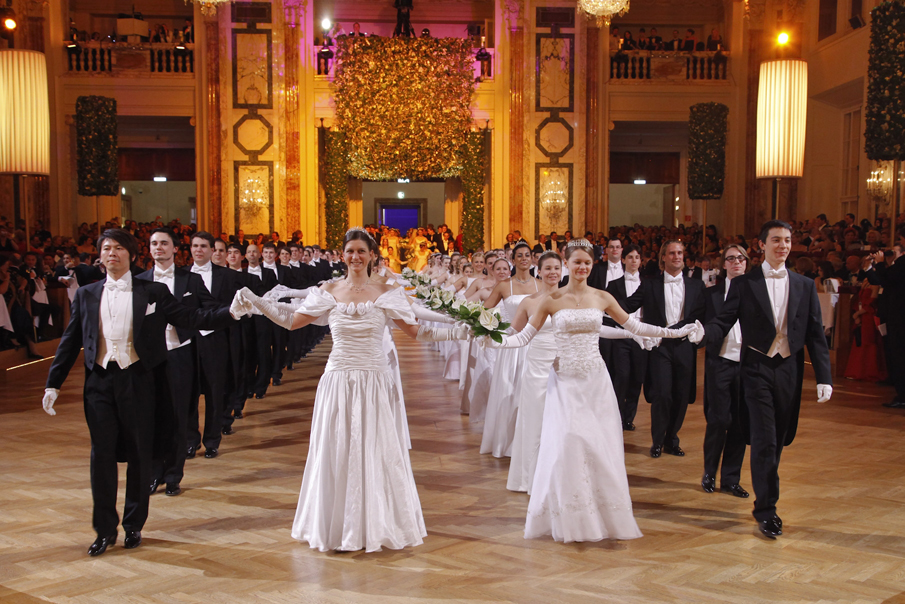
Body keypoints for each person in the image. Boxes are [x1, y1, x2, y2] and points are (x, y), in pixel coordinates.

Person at [231, 228, 471, 552]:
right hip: (338, 380)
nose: (355, 257)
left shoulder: (387, 291)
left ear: (372, 255)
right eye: (350, 251)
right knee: (337, 449)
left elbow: (417, 332)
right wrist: (258, 302)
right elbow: (292, 322)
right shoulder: (328, 290)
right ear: (343, 256)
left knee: (376, 448)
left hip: (375, 379)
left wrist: (459, 332)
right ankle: (338, 527)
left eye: (361, 251)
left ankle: (376, 525)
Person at [41, 229, 239, 557]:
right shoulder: (87, 294)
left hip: (138, 382)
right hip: (100, 385)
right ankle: (104, 529)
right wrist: (53, 383)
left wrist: (230, 312)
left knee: (139, 454)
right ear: (100, 256)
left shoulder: (153, 291)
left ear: (132, 255)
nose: (112, 253)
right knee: (100, 456)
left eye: (119, 248)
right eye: (107, 248)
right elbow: (70, 340)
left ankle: (133, 524)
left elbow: (192, 316)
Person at [483, 239, 696, 542]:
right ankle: (569, 514)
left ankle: (601, 513)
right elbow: (522, 338)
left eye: (587, 262)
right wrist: (490, 339)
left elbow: (635, 326)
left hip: (595, 381)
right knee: (568, 442)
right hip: (564, 382)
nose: (581, 267)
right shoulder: (550, 300)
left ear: (592, 265)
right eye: (576, 262)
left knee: (598, 445)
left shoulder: (602, 297)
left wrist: (675, 332)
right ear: (566, 264)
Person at [689, 220, 833, 539]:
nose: (783, 245)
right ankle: (767, 510)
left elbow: (815, 335)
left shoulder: (805, 285)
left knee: (779, 438)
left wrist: (824, 376)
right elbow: (723, 322)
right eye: (776, 240)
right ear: (762, 244)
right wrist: (703, 334)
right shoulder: (745, 283)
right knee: (765, 439)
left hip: (789, 371)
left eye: (787, 240)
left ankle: (766, 494)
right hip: (754, 369)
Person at [136, 228, 213, 496]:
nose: (159, 247)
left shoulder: (189, 280)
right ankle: (154, 473)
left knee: (180, 415)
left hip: (181, 353)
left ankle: (174, 474)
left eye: (164, 243)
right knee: (153, 416)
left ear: (175, 249)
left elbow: (208, 309)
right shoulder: (139, 281)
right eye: (154, 243)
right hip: (150, 356)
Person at [622, 241, 706, 458]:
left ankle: (672, 439)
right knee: (662, 394)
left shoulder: (697, 286)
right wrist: (601, 301)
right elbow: (629, 305)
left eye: (680, 252)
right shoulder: (650, 284)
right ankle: (657, 441)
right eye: (671, 253)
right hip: (660, 346)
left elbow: (697, 316)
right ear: (664, 258)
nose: (676, 256)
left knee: (680, 394)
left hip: (684, 346)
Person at [479, 243, 538, 458]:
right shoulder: (505, 286)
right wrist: (488, 330)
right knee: (510, 389)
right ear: (513, 260)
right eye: (519, 256)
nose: (524, 259)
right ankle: (506, 441)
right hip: (512, 345)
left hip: (535, 345)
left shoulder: (542, 285)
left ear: (532, 259)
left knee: (532, 392)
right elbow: (484, 312)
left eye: (527, 255)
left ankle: (531, 441)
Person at [701, 245, 750, 499]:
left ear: (747, 262)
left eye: (740, 258)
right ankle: (710, 471)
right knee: (719, 420)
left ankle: (731, 479)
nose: (736, 262)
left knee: (741, 423)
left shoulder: (756, 292)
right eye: (731, 259)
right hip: (720, 362)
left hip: (748, 365)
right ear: (724, 265)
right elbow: (700, 323)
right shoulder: (713, 294)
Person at [604, 244, 648, 431]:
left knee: (637, 378)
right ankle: (616, 416)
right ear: (624, 260)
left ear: (640, 261)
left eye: (637, 257)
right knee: (621, 376)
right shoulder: (614, 285)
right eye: (630, 257)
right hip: (620, 335)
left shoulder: (648, 283)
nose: (633, 260)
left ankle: (628, 418)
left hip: (642, 336)